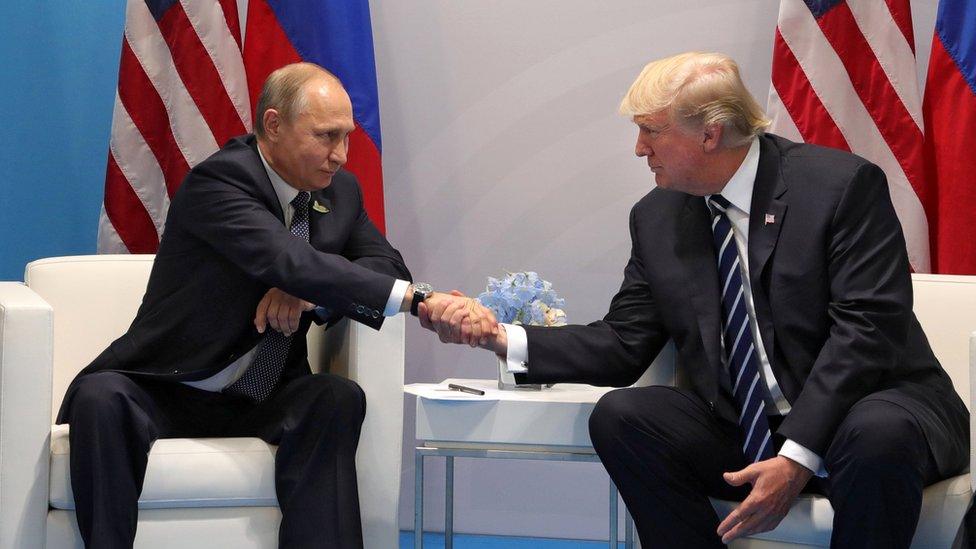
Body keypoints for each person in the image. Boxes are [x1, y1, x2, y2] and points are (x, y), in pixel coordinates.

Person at [420, 52, 969, 548]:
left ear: (711, 134)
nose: (639, 148)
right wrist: (500, 337)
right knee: (625, 416)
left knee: (877, 434)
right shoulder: (658, 216)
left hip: (870, 406)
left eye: (650, 131)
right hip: (749, 426)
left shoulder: (840, 187)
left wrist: (797, 455)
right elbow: (623, 342)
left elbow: (866, 331)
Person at [57, 62, 494, 549]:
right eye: (326, 136)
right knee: (102, 397)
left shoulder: (338, 192)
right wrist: (420, 303)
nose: (341, 156)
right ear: (273, 125)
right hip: (171, 385)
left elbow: (387, 267)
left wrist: (308, 293)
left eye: (347, 137)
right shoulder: (219, 183)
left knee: (335, 397)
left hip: (263, 394)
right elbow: (286, 258)